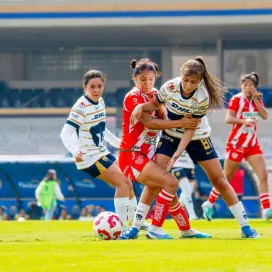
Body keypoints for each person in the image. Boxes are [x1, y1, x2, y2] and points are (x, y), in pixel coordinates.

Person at [130, 56, 259, 238]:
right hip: (171, 135)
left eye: (193, 82)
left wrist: (176, 155)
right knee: (157, 179)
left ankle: (246, 227)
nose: (189, 85)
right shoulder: (170, 86)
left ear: (200, 81)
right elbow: (156, 103)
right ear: (180, 76)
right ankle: (135, 227)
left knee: (220, 180)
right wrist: (142, 106)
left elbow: (190, 129)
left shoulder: (202, 97)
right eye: (186, 80)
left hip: (197, 137)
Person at [118, 58, 210, 240]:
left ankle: (183, 230)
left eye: (151, 79)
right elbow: (150, 123)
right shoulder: (133, 97)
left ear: (156, 78)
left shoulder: (155, 94)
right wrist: (181, 122)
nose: (147, 83)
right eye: (143, 79)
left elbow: (162, 115)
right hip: (131, 155)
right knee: (171, 184)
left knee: (166, 193)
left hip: (148, 154)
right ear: (134, 79)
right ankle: (154, 229)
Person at [203, 72, 272, 221]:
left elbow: (265, 116)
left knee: (263, 175)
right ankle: (208, 204)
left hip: (252, 144)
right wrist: (243, 121)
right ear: (241, 86)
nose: (247, 88)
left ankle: (267, 211)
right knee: (225, 178)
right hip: (236, 144)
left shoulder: (257, 100)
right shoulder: (236, 99)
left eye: (251, 85)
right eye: (245, 85)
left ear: (255, 87)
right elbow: (228, 119)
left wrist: (256, 100)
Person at [60, 70, 132, 227]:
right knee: (123, 183)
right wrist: (75, 151)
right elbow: (65, 132)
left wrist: (121, 145)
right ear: (84, 87)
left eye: (100, 86)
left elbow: (102, 129)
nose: (97, 90)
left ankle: (135, 224)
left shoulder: (100, 102)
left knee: (129, 183)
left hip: (101, 152)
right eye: (92, 87)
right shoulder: (80, 107)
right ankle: (121, 227)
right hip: (89, 157)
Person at [170, 151, 199, 220]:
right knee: (186, 190)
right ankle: (192, 215)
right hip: (177, 164)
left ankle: (175, 212)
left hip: (190, 164)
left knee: (188, 192)